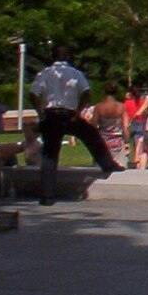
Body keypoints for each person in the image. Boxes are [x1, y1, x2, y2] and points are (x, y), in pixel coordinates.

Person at [29, 47, 120, 204]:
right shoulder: (75, 73)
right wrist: (78, 111)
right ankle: (107, 164)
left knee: (50, 154)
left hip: (51, 115)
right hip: (69, 114)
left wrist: (40, 112)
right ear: (67, 57)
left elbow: (33, 93)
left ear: (52, 57)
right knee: (91, 135)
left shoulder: (45, 73)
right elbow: (86, 92)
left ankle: (47, 196)